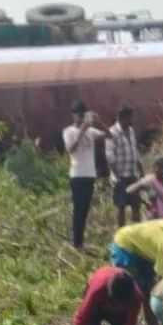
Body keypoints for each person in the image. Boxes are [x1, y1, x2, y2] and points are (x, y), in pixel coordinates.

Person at [63, 101, 108, 249]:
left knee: (85, 209)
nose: (81, 117)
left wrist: (99, 121)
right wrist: (82, 130)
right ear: (73, 115)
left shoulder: (91, 131)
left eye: (83, 114)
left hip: (90, 175)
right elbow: (71, 149)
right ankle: (76, 242)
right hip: (77, 175)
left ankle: (80, 241)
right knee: (78, 208)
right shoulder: (68, 131)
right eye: (79, 115)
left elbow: (110, 136)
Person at [106, 104, 142, 228]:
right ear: (121, 118)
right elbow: (110, 157)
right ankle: (120, 234)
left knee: (136, 205)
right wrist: (118, 176)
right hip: (120, 177)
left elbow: (134, 150)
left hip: (133, 175)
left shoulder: (130, 130)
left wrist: (141, 169)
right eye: (129, 118)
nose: (131, 120)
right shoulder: (112, 132)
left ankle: (137, 233)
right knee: (121, 207)